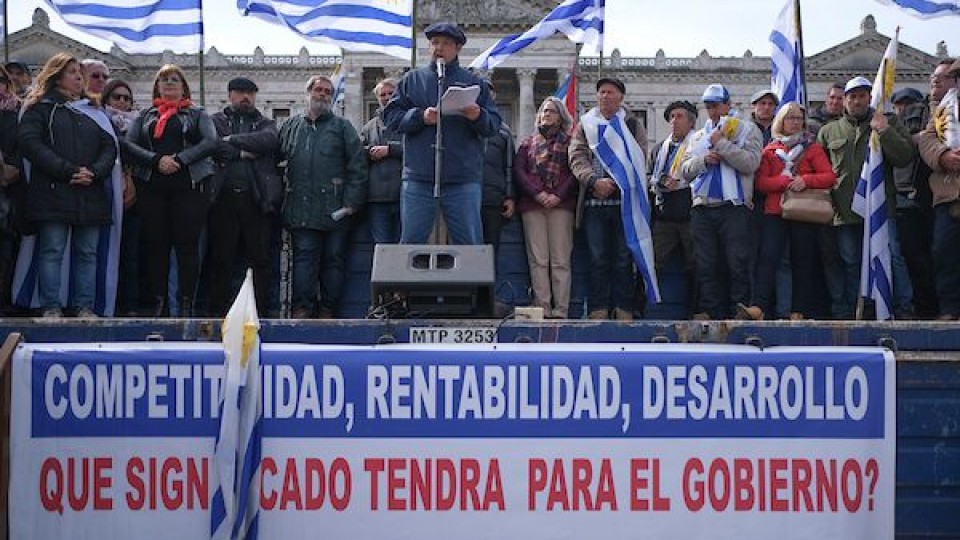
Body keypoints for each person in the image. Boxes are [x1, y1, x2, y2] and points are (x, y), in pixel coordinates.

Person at [11, 53, 118, 318]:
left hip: (89, 193)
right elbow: (30, 143)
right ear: (57, 75)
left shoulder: (94, 111)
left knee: (87, 253)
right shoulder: (40, 109)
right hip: (53, 193)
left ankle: (84, 307)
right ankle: (51, 307)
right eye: (73, 72)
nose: (79, 77)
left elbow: (109, 147)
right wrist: (67, 171)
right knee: (52, 250)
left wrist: (93, 172)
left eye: (80, 72)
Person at [383, 21, 502, 245]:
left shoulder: (474, 83)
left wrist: (477, 116)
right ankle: (408, 282)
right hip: (419, 177)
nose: (439, 48)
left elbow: (493, 125)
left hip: (462, 179)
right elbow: (390, 118)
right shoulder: (411, 80)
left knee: (469, 245)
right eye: (434, 42)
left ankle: (471, 282)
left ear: (457, 49)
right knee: (410, 244)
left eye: (446, 43)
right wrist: (419, 117)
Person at [817, 76, 916, 320]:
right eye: (852, 96)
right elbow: (821, 170)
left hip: (882, 208)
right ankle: (858, 311)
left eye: (862, 96)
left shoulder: (888, 122)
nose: (857, 101)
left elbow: (905, 157)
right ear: (844, 100)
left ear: (870, 98)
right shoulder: (829, 131)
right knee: (851, 262)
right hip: (845, 210)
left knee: (892, 257)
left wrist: (884, 131)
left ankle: (905, 308)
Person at [123, 64, 217, 317]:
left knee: (187, 247)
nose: (169, 84)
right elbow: (129, 144)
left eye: (174, 80)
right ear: (157, 87)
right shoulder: (145, 116)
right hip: (152, 186)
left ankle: (186, 303)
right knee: (156, 246)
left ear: (184, 86)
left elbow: (210, 141)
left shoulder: (197, 114)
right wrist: (156, 161)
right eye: (163, 80)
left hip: (189, 185)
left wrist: (181, 159)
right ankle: (159, 302)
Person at [280, 75, 367, 319]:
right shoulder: (291, 126)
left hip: (336, 209)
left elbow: (358, 165)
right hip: (301, 208)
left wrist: (352, 201)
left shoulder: (342, 127)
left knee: (334, 262)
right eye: (318, 90)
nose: (322, 95)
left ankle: (328, 309)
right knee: (304, 261)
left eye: (327, 91)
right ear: (307, 94)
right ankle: (302, 309)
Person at [738, 102, 836, 320]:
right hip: (776, 211)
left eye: (799, 118)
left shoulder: (813, 147)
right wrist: (783, 182)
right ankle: (758, 307)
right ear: (780, 121)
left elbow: (829, 177)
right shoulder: (770, 150)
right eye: (790, 118)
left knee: (803, 260)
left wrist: (806, 180)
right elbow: (761, 183)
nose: (795, 122)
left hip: (803, 210)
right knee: (768, 256)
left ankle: (798, 310)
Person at [569, 77, 652, 321]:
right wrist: (593, 181)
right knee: (598, 259)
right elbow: (576, 156)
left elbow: (640, 156)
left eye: (611, 92)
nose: (605, 96)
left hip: (624, 203)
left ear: (621, 98)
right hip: (593, 201)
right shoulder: (585, 124)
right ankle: (598, 308)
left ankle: (624, 308)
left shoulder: (633, 124)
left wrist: (616, 183)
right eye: (602, 92)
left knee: (623, 258)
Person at [680, 83, 763, 320]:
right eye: (708, 106)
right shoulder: (698, 135)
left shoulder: (748, 130)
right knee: (705, 264)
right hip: (703, 207)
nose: (713, 111)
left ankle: (739, 309)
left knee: (737, 261)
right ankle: (709, 311)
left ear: (728, 104)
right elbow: (685, 171)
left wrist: (722, 145)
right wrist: (704, 160)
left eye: (716, 105)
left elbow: (750, 164)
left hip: (734, 207)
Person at [207, 77, 280, 317]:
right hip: (222, 199)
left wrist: (232, 142)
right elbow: (213, 146)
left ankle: (260, 312)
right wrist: (242, 152)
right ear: (229, 95)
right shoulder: (215, 121)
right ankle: (219, 312)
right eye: (240, 92)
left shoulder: (265, 122)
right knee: (221, 259)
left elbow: (269, 141)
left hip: (257, 200)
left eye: (250, 93)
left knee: (259, 259)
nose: (245, 97)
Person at [513, 97, 576, 319]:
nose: (545, 115)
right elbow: (520, 172)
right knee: (538, 260)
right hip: (533, 204)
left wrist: (557, 195)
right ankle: (543, 308)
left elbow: (573, 173)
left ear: (561, 116)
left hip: (561, 206)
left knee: (560, 260)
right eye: (543, 111)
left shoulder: (571, 143)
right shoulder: (527, 143)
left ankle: (561, 310)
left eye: (551, 111)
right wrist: (538, 193)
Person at [916, 56, 960, 320]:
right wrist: (944, 156)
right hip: (948, 194)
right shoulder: (944, 111)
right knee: (944, 253)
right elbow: (928, 140)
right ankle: (951, 310)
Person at [891, 85, 939, 318]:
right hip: (901, 201)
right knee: (908, 257)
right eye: (900, 105)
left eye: (909, 104)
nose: (905, 110)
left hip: (925, 199)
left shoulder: (929, 128)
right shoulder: (894, 131)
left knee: (925, 257)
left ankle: (927, 306)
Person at [649, 100, 697, 317]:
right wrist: (659, 182)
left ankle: (698, 310)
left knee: (696, 265)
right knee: (653, 264)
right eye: (671, 117)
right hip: (664, 216)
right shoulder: (660, 148)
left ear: (691, 122)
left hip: (690, 215)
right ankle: (646, 307)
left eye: (679, 117)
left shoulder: (698, 146)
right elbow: (649, 175)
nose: (674, 121)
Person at [102, 78, 141, 315]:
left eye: (127, 98)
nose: (122, 102)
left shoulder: (139, 123)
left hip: (134, 197)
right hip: (104, 194)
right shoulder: (99, 120)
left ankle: (130, 304)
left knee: (131, 253)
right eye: (117, 97)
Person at [360, 77, 403, 244]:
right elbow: (357, 152)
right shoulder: (369, 127)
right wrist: (369, 151)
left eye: (391, 93)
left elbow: (417, 151)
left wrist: (390, 150)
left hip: (403, 195)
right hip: (377, 198)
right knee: (382, 247)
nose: (386, 97)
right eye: (382, 94)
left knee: (403, 248)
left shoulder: (409, 122)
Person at [480, 79, 516, 254]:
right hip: (465, 195)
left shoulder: (503, 130)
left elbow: (509, 165)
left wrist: (510, 196)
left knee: (492, 248)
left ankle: (489, 282)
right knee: (467, 247)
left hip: (493, 196)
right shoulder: (461, 125)